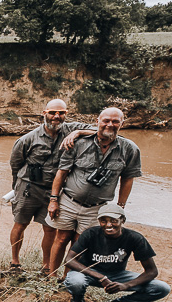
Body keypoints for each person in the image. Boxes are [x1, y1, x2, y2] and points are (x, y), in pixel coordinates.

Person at [47, 107, 141, 277]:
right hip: (68, 200)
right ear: (97, 121)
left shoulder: (130, 149)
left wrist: (120, 207)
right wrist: (54, 199)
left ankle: (67, 278)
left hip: (97, 208)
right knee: (61, 239)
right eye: (106, 120)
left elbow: (128, 178)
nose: (110, 125)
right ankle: (51, 276)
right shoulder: (78, 142)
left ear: (122, 124)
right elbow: (62, 172)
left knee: (79, 244)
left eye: (115, 121)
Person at [8, 99, 93, 273]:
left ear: (66, 114)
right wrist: (17, 188)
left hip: (53, 191)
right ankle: (15, 262)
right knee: (20, 224)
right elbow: (15, 165)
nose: (57, 116)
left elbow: (101, 130)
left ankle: (46, 266)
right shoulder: (27, 139)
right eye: (53, 112)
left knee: (50, 229)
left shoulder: (70, 129)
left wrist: (77, 133)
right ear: (44, 113)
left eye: (61, 113)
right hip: (28, 188)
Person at [63, 203, 169, 302]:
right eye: (103, 221)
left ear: (122, 220)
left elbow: (152, 271)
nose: (108, 225)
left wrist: (126, 285)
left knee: (161, 288)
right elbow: (69, 260)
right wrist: (100, 277)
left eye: (113, 221)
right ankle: (78, 300)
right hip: (89, 273)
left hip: (117, 275)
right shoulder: (90, 234)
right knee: (76, 281)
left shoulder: (135, 238)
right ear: (99, 221)